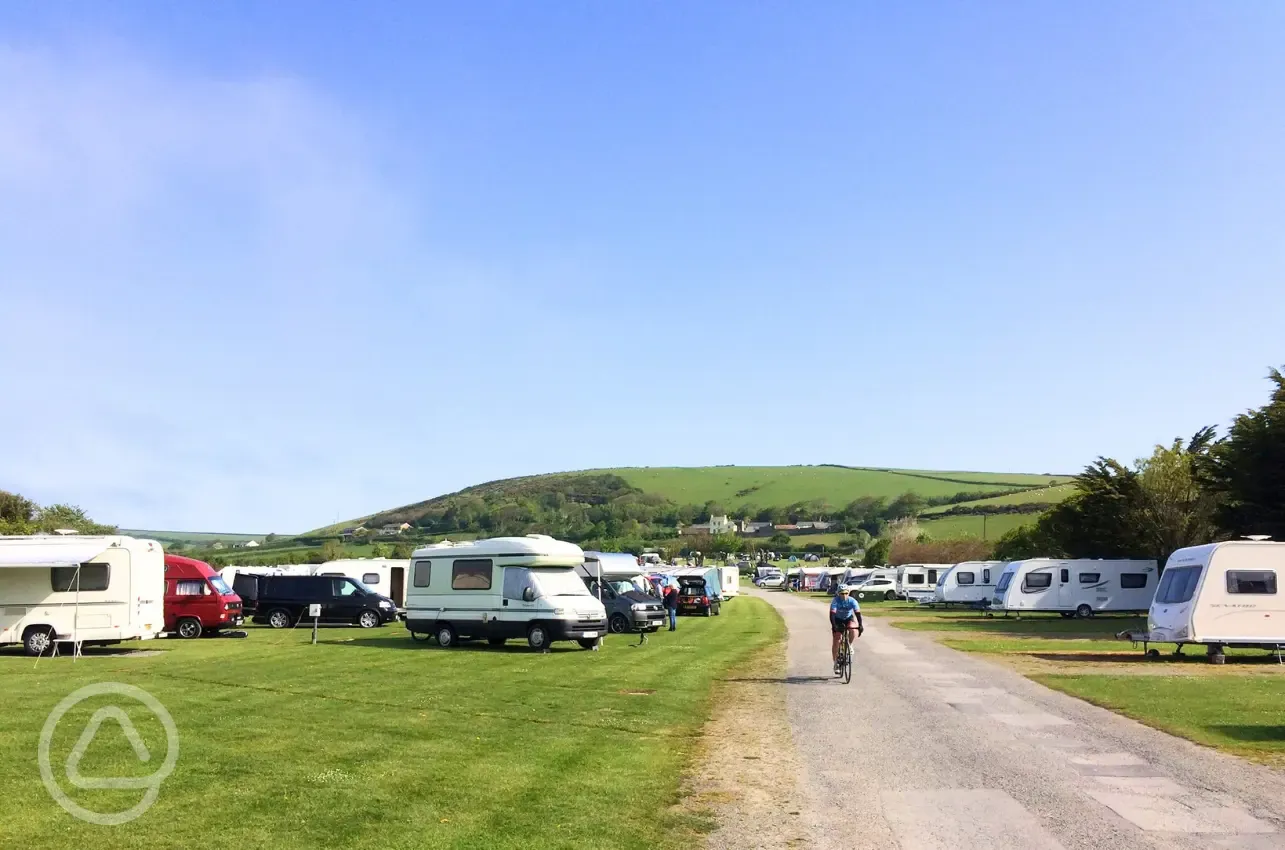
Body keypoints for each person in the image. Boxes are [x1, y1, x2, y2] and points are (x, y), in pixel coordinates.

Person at [829, 586, 864, 674]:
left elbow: (858, 614)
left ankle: (849, 645)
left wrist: (860, 625)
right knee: (837, 640)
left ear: (848, 593)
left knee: (853, 629)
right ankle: (836, 663)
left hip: (848, 618)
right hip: (837, 619)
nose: (844, 595)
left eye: (846, 593)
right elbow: (832, 614)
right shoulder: (835, 601)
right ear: (838, 593)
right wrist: (834, 626)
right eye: (842, 593)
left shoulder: (852, 601)